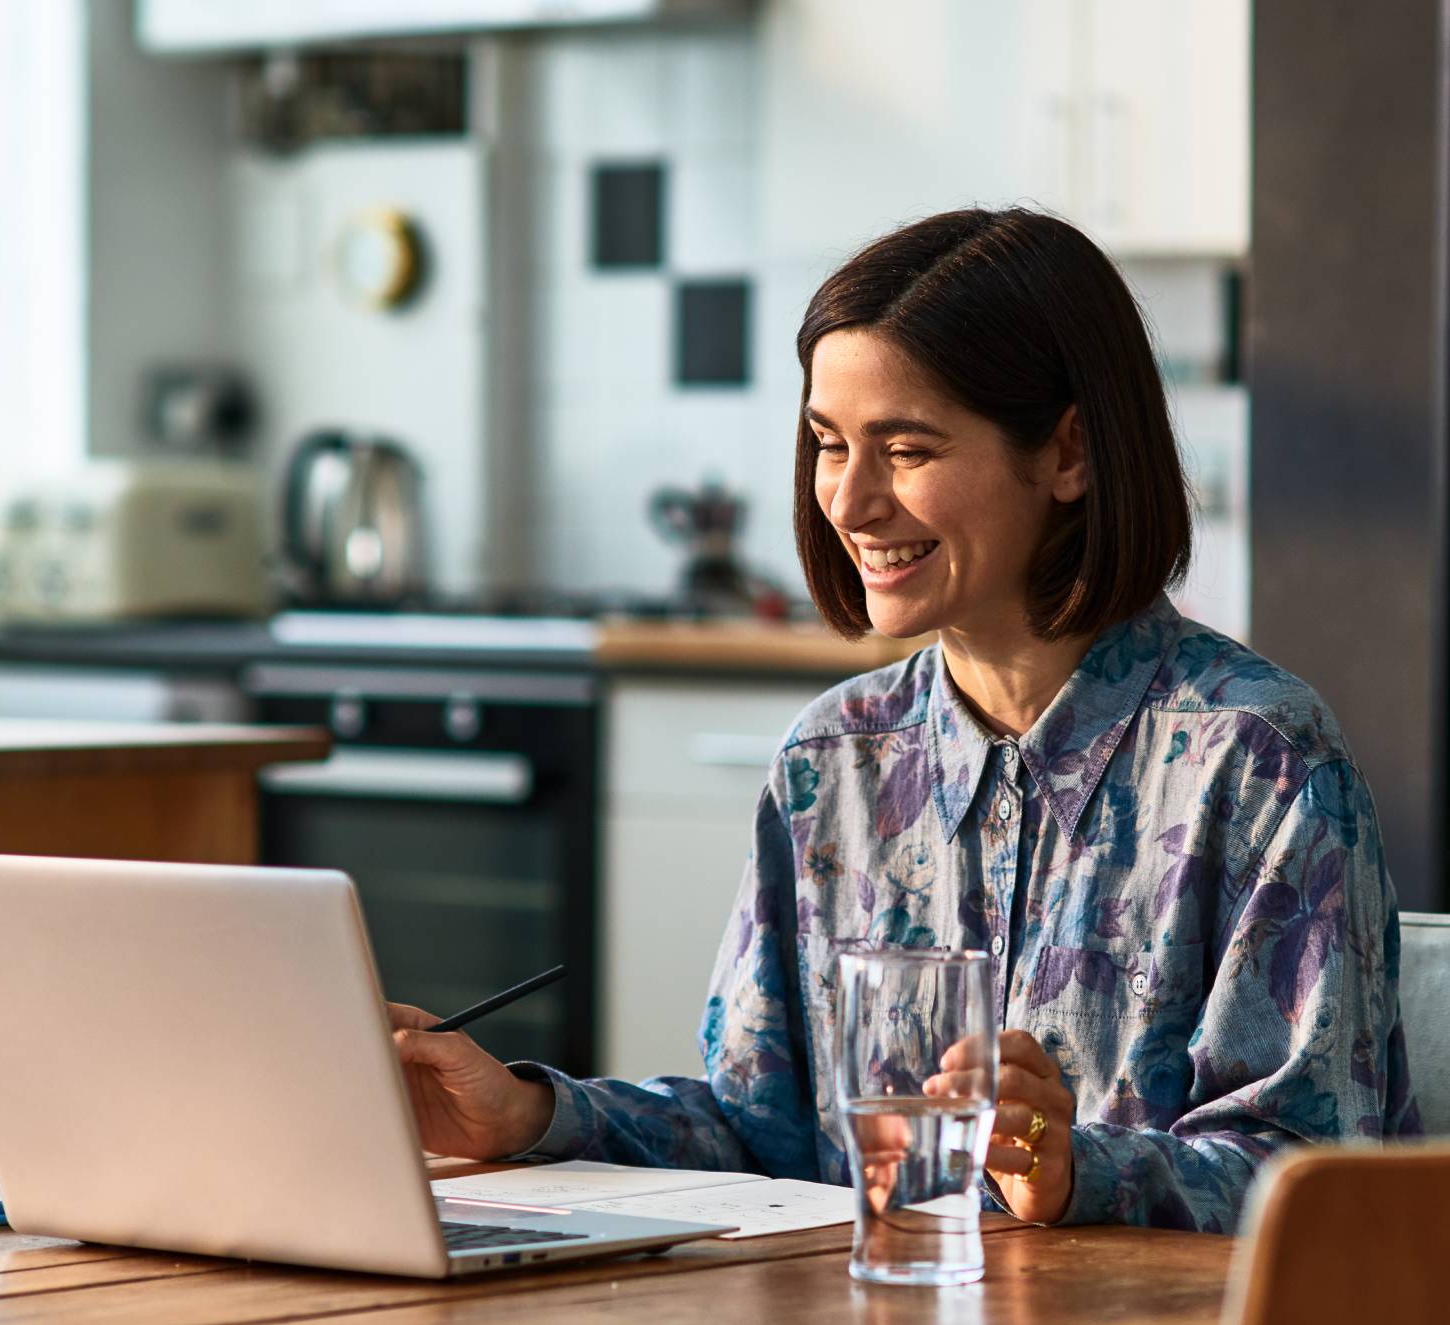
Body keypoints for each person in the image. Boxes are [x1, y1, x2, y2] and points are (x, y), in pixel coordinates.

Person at [391, 207, 1423, 1232]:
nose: (848, 499)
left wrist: (1076, 1170)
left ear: (1068, 453)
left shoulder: (1258, 762)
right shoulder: (828, 764)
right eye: (828, 443)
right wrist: (527, 1111)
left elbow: (1320, 1181)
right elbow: (766, 1133)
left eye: (907, 448)